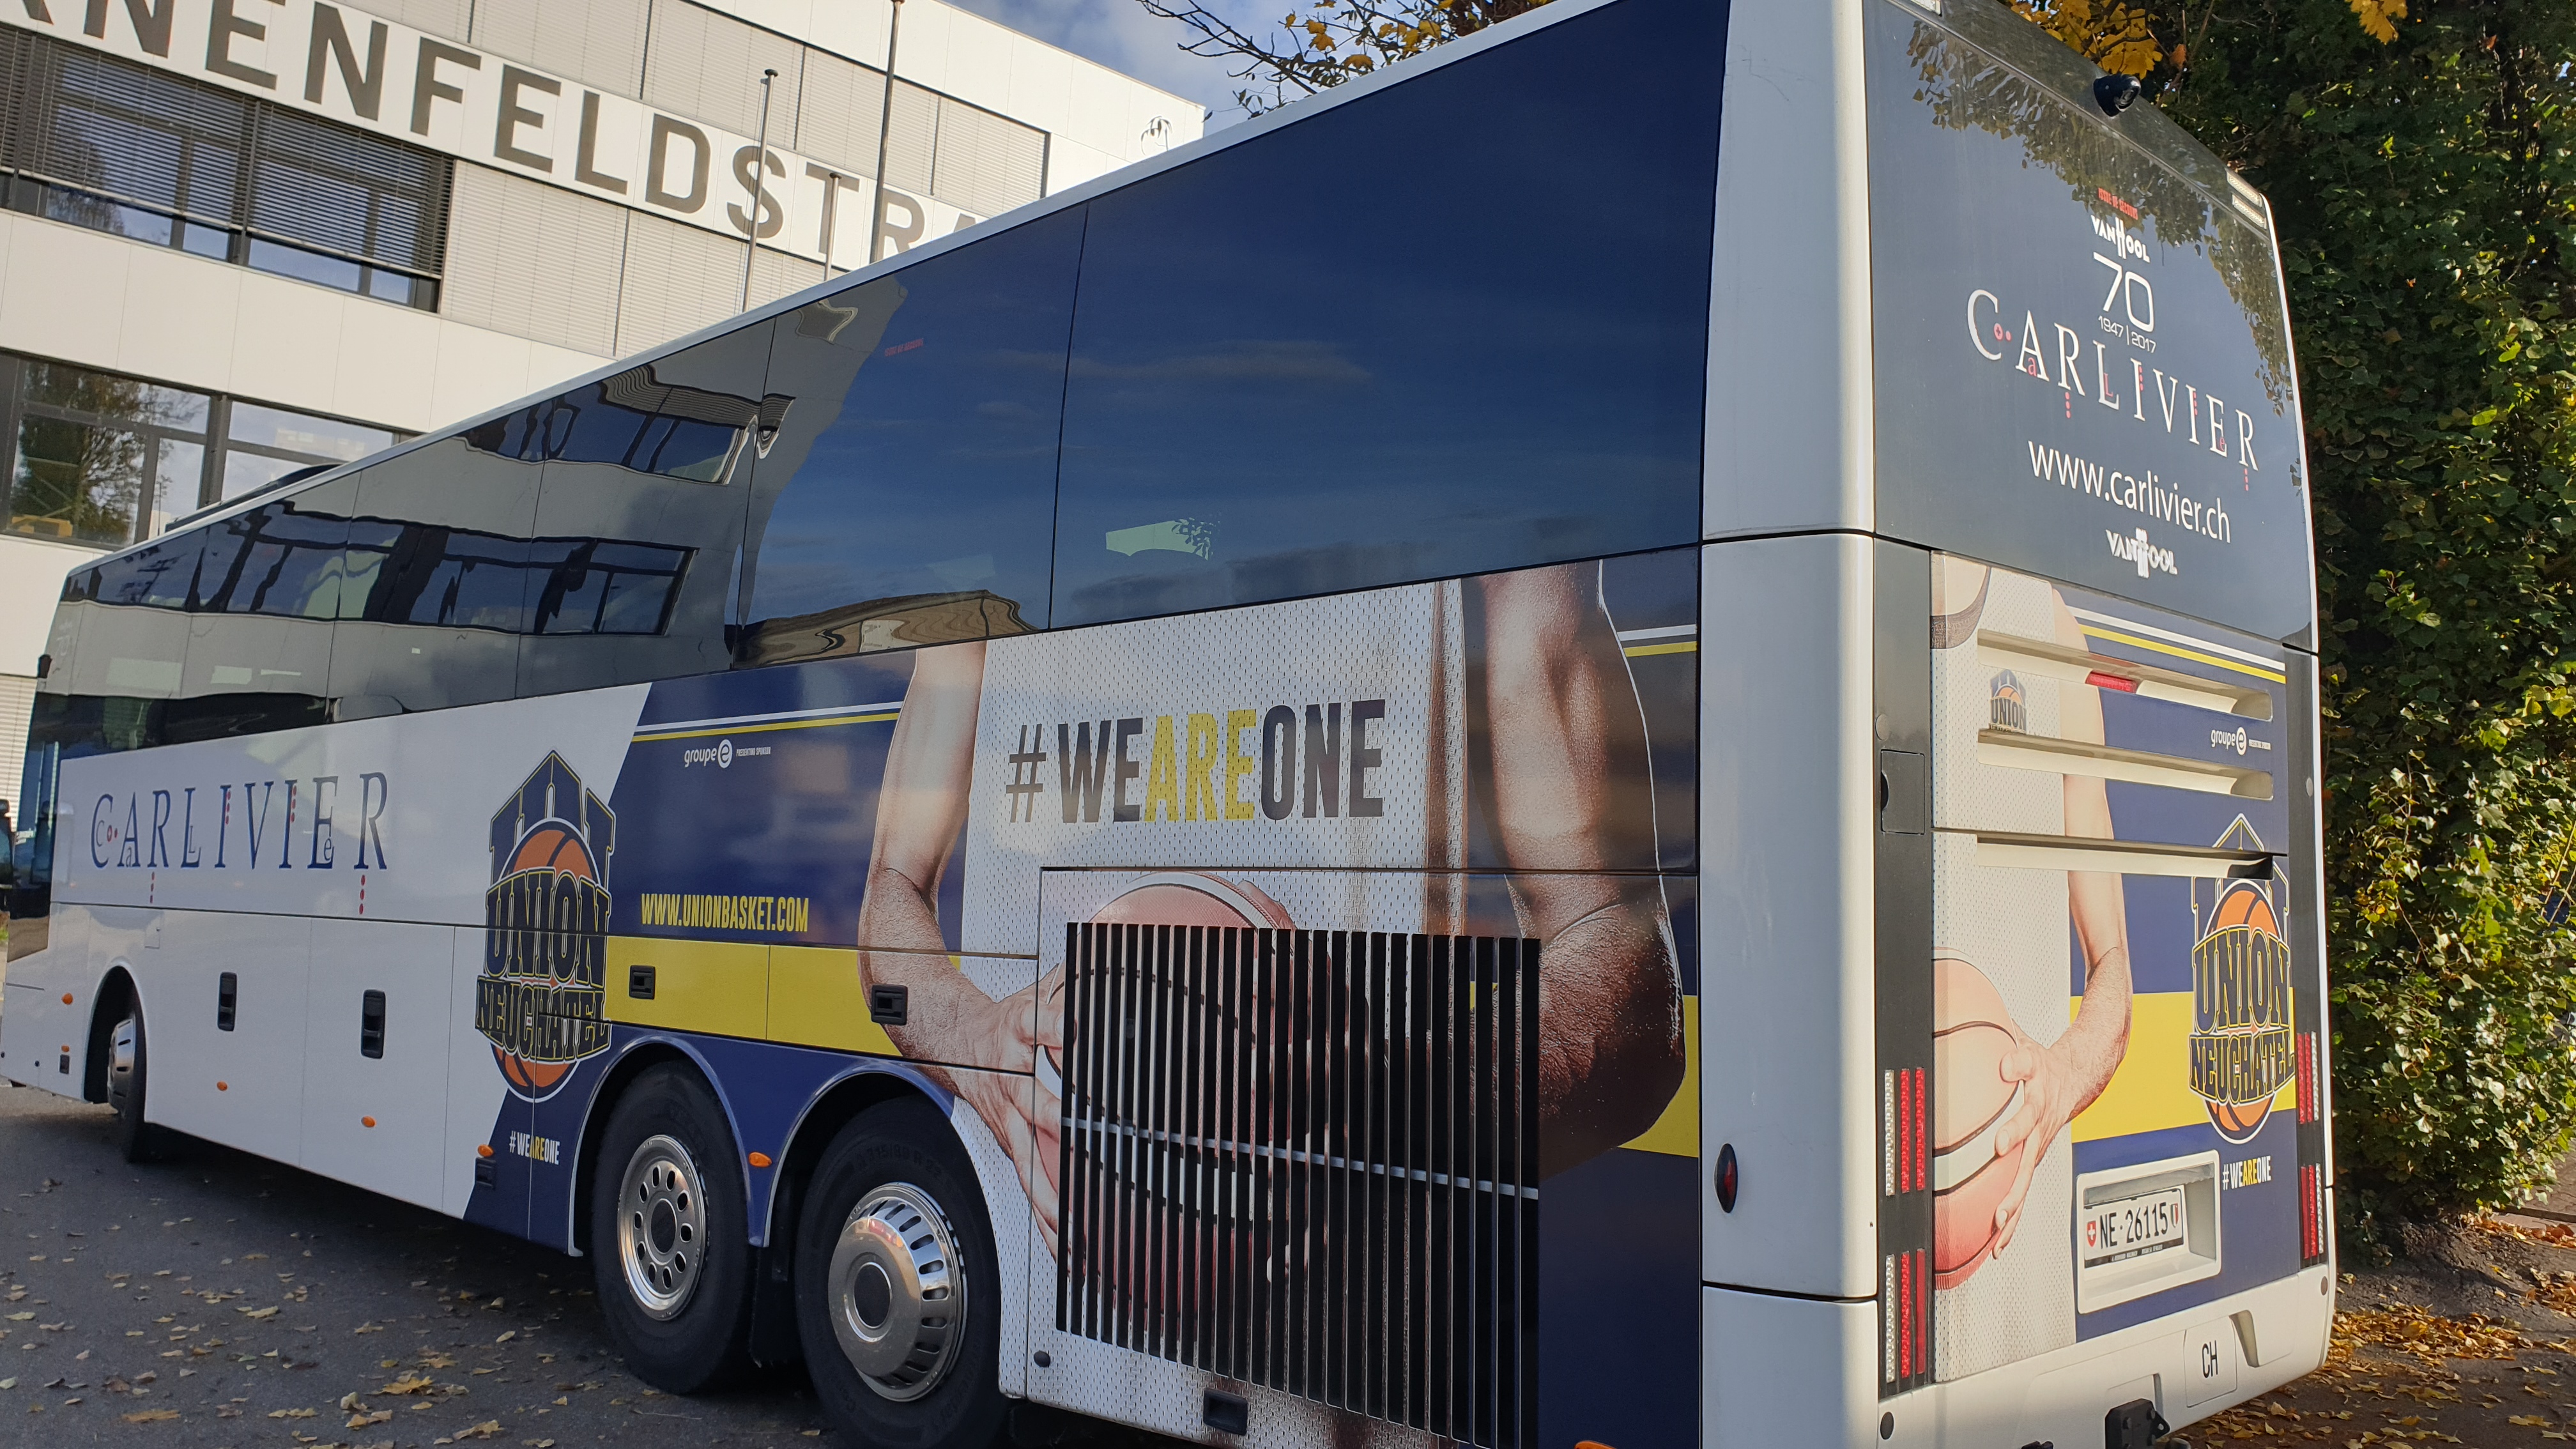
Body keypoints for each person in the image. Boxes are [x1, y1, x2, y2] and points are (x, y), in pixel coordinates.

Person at [848, 562, 1687, 1257]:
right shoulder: (1001, 554)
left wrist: (1401, 1102)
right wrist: (977, 1046)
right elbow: (892, 888)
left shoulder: (1487, 513)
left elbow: (1628, 989)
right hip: (1057, 1284)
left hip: (1354, 1327)